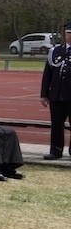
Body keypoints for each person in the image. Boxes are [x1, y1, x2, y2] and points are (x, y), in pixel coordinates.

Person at [40, 21, 71, 159]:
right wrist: (44, 94)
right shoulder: (56, 51)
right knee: (56, 125)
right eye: (69, 33)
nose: (70, 36)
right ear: (64, 34)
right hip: (57, 95)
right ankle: (56, 150)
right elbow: (47, 74)